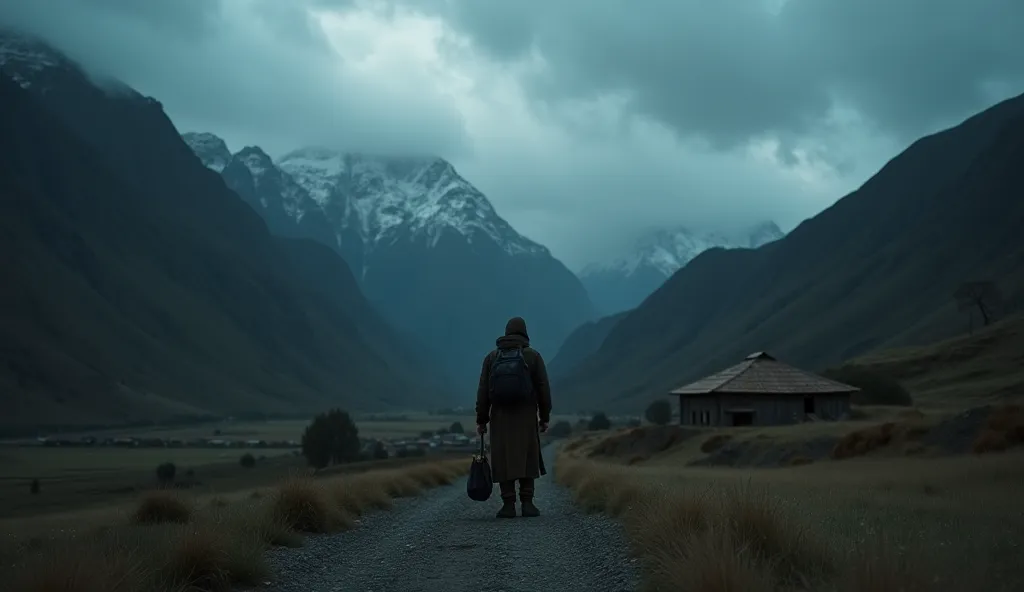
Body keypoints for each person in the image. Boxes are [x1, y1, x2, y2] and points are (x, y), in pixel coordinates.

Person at [476, 316, 552, 518]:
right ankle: (528, 503)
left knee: (503, 458)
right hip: (526, 416)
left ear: (506, 332)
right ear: (525, 333)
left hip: (500, 418)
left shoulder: (491, 358)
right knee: (527, 456)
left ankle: (508, 504)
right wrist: (544, 417)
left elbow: (483, 391)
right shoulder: (533, 357)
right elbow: (543, 389)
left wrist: (481, 420)